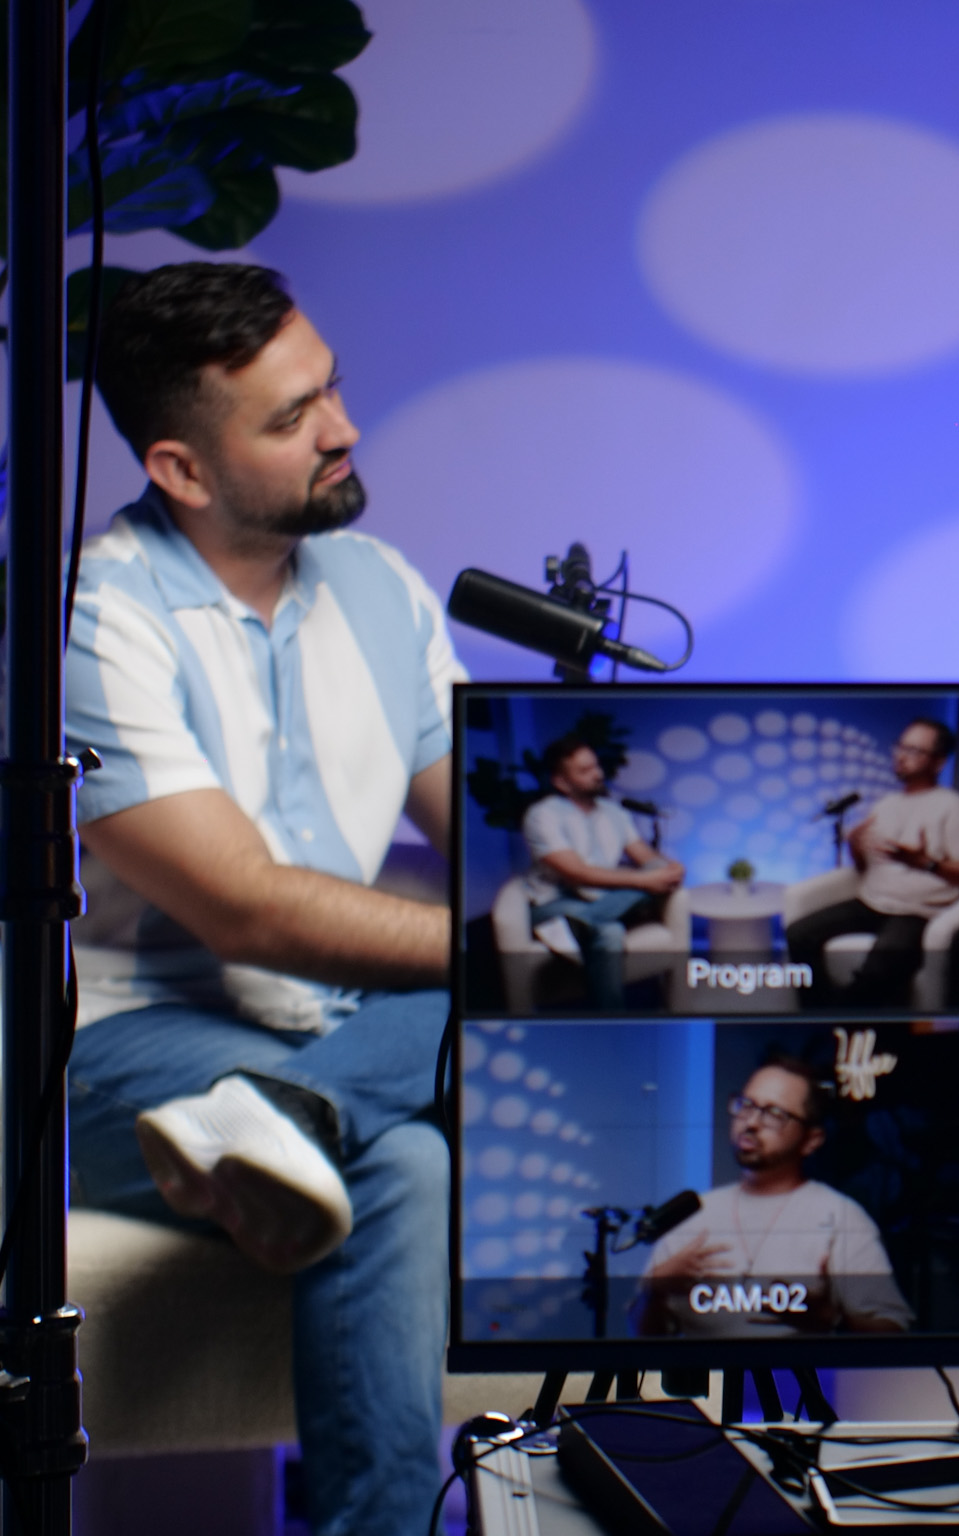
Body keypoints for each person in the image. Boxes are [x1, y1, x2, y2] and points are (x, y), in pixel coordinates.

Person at [64, 263, 462, 1536]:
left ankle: (286, 1116)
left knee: (494, 1014)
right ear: (181, 469)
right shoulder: (97, 616)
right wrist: (510, 955)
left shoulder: (383, 587)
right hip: (119, 1039)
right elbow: (242, 910)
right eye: (292, 419)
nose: (343, 427)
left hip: (324, 1033)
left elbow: (492, 839)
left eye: (330, 388)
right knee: (408, 1144)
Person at [636, 1056, 913, 1336]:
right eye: (746, 1105)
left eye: (774, 1114)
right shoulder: (691, 1212)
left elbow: (893, 1331)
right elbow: (639, 1337)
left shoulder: (840, 1217)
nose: (751, 1122)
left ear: (811, 1140)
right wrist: (653, 1291)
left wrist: (832, 1321)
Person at [786, 717, 959, 1005]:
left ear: (938, 762)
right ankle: (818, 1011)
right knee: (798, 934)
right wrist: (854, 846)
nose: (901, 756)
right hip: (870, 903)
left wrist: (926, 863)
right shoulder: (886, 804)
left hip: (916, 912)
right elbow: (864, 869)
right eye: (900, 747)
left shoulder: (954, 808)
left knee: (878, 972)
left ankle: (846, 1017)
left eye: (914, 751)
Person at [521, 735, 683, 1007]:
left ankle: (585, 921)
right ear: (561, 782)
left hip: (604, 900)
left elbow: (645, 856)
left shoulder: (614, 812)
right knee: (611, 929)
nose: (598, 774)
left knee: (654, 880)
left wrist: (669, 867)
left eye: (595, 766)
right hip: (555, 904)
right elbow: (577, 873)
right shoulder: (542, 815)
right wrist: (644, 881)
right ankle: (612, 1014)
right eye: (585, 771)